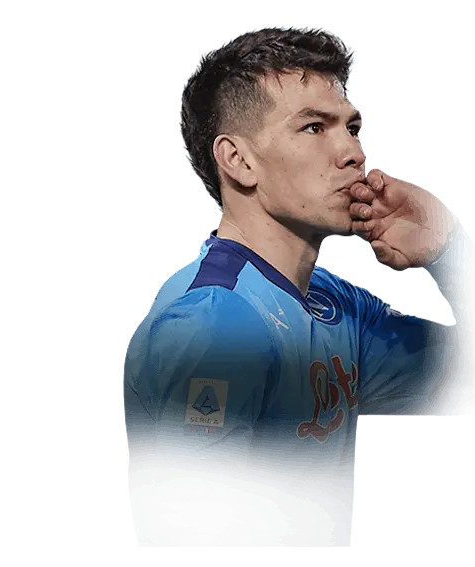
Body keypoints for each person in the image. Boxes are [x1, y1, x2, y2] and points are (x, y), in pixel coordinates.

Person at [122, 25, 473, 550]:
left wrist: (453, 256)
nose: (352, 152)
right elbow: (191, 529)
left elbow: (462, 386)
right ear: (238, 161)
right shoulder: (219, 319)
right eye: (314, 127)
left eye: (350, 127)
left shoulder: (335, 304)